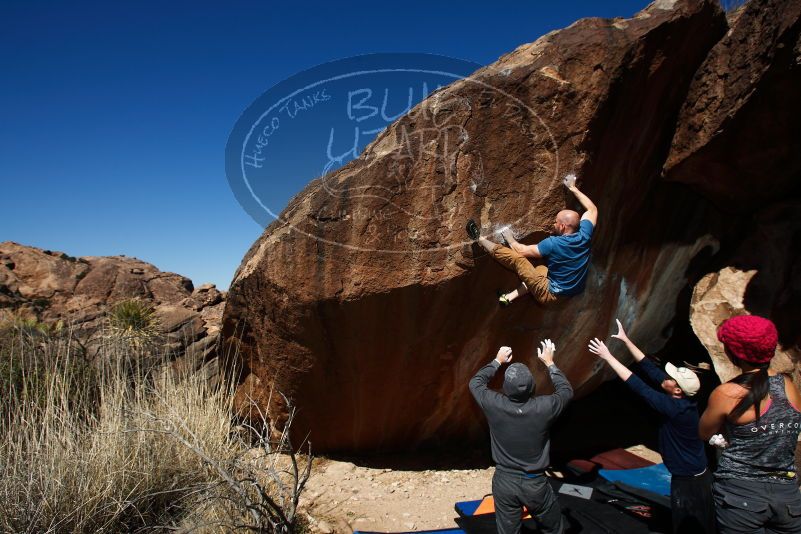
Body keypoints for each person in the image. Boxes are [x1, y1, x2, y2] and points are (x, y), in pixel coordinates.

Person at [588, 320, 714, 534]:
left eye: (672, 379)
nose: (666, 378)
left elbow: (638, 386)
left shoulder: (675, 408)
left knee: (689, 524)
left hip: (690, 480)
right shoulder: (680, 396)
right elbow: (649, 368)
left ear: (677, 391)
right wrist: (626, 340)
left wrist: (607, 356)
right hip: (693, 471)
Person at [698, 315, 801, 533]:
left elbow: (704, 432)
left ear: (734, 352)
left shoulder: (727, 393)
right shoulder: (789, 386)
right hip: (788, 496)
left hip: (740, 496)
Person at [469, 339, 573, 534]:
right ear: (532, 386)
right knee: (554, 529)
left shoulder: (494, 404)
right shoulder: (544, 407)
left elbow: (476, 382)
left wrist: (497, 361)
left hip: (504, 481)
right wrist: (550, 362)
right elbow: (566, 391)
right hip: (534, 483)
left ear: (505, 388)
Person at [465, 174, 597, 306]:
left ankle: (478, 238)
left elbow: (520, 251)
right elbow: (592, 209)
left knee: (519, 261)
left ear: (562, 226)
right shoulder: (584, 234)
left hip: (550, 294)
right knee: (540, 270)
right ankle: (507, 299)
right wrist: (573, 188)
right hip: (572, 293)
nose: (553, 223)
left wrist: (510, 239)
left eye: (556, 222)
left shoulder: (553, 243)